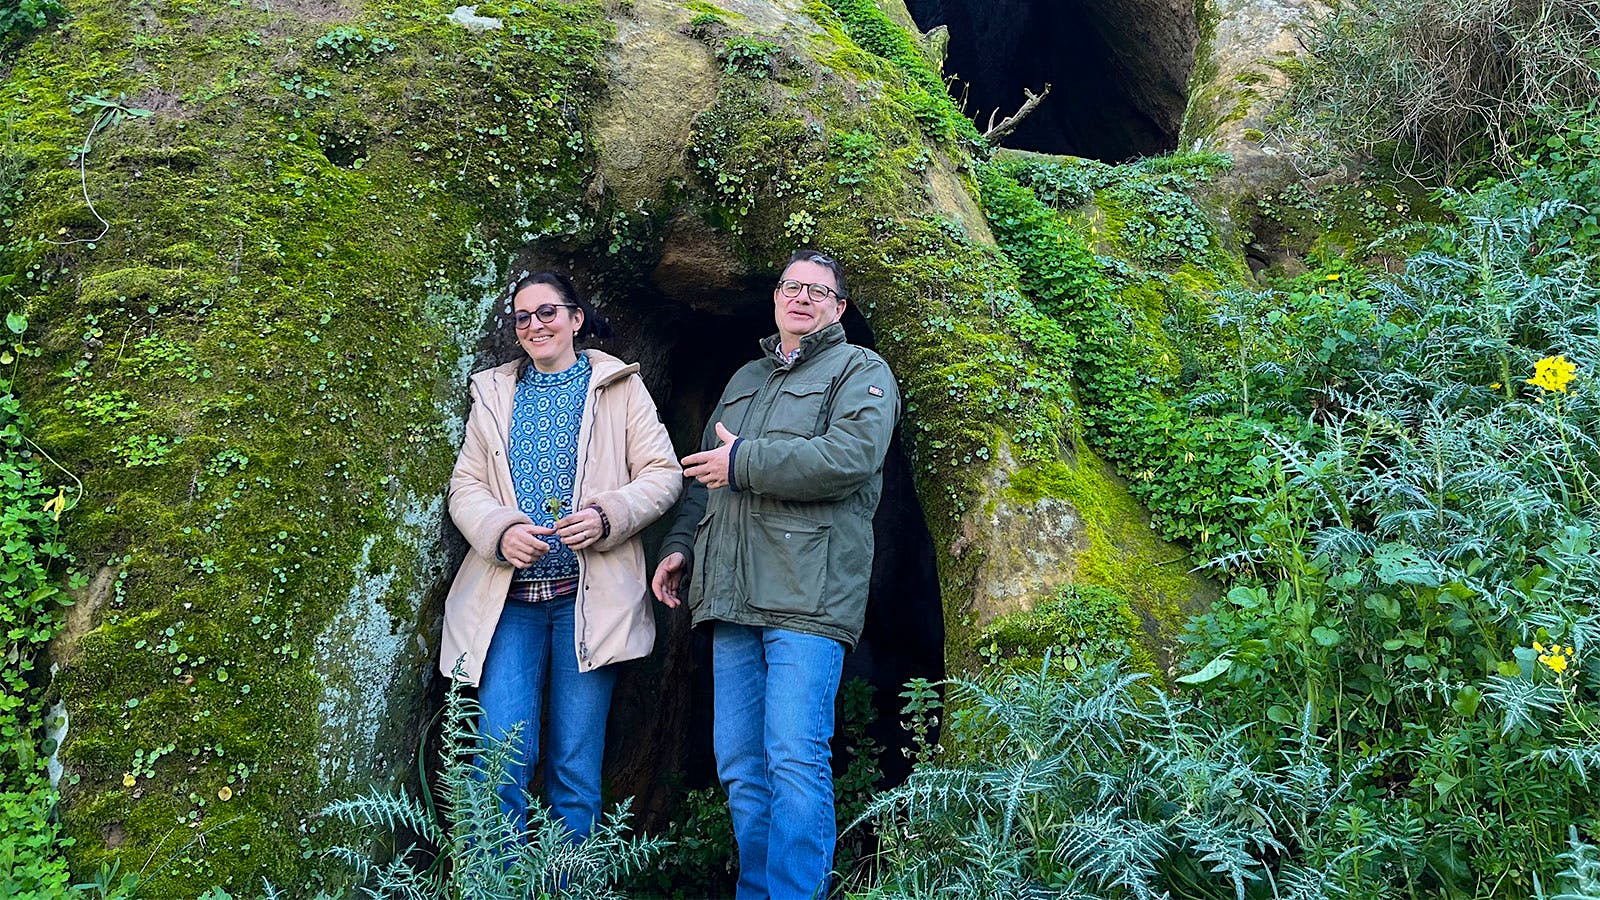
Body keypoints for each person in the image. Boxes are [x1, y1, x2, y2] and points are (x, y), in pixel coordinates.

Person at [653, 250, 901, 898]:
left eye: (818, 291)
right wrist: (681, 546)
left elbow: (851, 456)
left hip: (808, 597)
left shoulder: (860, 370)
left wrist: (746, 460)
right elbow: (703, 478)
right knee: (740, 767)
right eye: (791, 286)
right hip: (731, 595)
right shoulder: (743, 380)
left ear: (839, 307)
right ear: (774, 299)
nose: (802, 298)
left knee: (794, 760)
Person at [440, 270, 682, 839]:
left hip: (586, 600)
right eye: (522, 317)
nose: (534, 325)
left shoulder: (620, 387)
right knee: (497, 764)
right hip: (510, 603)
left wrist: (606, 517)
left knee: (575, 770)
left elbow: (663, 475)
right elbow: (465, 486)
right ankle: (494, 884)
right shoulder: (494, 393)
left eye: (546, 312)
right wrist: (499, 533)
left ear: (575, 319)